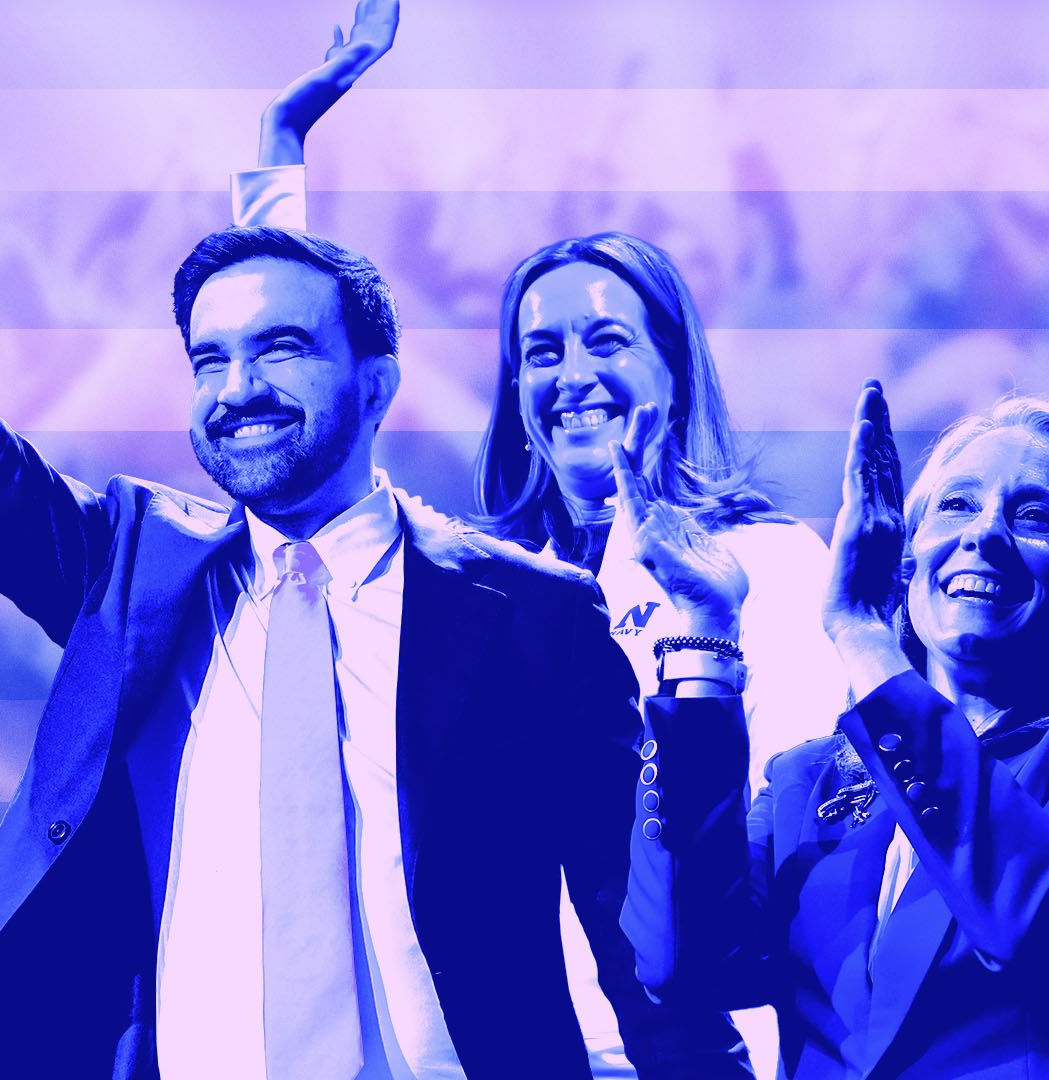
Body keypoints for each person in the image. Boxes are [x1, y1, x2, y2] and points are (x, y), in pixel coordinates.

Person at [0, 11, 750, 1078]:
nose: (239, 390)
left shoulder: (534, 615)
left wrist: (703, 657)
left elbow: (657, 961)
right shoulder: (133, 573)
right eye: (210, 360)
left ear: (378, 382)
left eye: (280, 349)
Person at [233, 8, 845, 1074]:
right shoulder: (485, 595)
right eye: (540, 352)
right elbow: (300, 471)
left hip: (707, 1049)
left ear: (674, 369)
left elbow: (797, 848)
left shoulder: (771, 567)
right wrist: (278, 160)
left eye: (607, 339)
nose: (572, 377)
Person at [625, 383, 1049, 1077]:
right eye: (956, 505)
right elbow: (682, 961)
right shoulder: (815, 778)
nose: (983, 532)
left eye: (1033, 514)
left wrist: (862, 633)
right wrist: (703, 638)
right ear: (910, 558)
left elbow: (1038, 918)